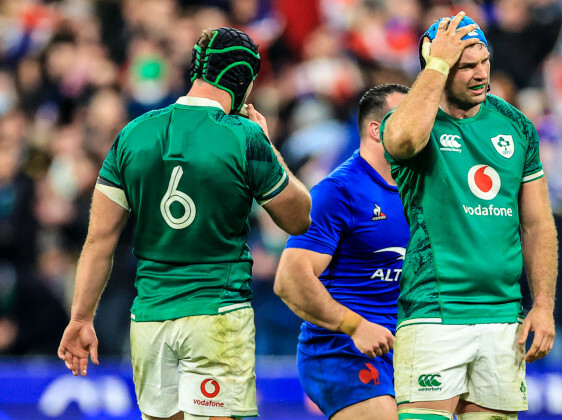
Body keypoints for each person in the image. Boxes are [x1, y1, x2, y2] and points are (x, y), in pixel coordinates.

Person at [57, 27, 311, 420]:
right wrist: (268, 143)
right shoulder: (245, 137)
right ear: (243, 81)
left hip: (150, 320)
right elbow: (298, 218)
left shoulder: (133, 135)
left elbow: (98, 242)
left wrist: (80, 318)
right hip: (217, 316)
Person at [380, 12, 558, 420]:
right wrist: (438, 64)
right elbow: (403, 141)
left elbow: (537, 223)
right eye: (465, 66)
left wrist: (544, 305)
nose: (481, 74)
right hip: (434, 313)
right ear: (438, 69)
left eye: (484, 62)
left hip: (503, 318)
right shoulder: (410, 122)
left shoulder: (516, 125)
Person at [274, 84, 410, 420]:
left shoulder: (419, 187)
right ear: (376, 130)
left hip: (407, 349)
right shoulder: (338, 192)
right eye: (405, 117)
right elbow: (289, 279)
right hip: (343, 351)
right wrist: (355, 326)